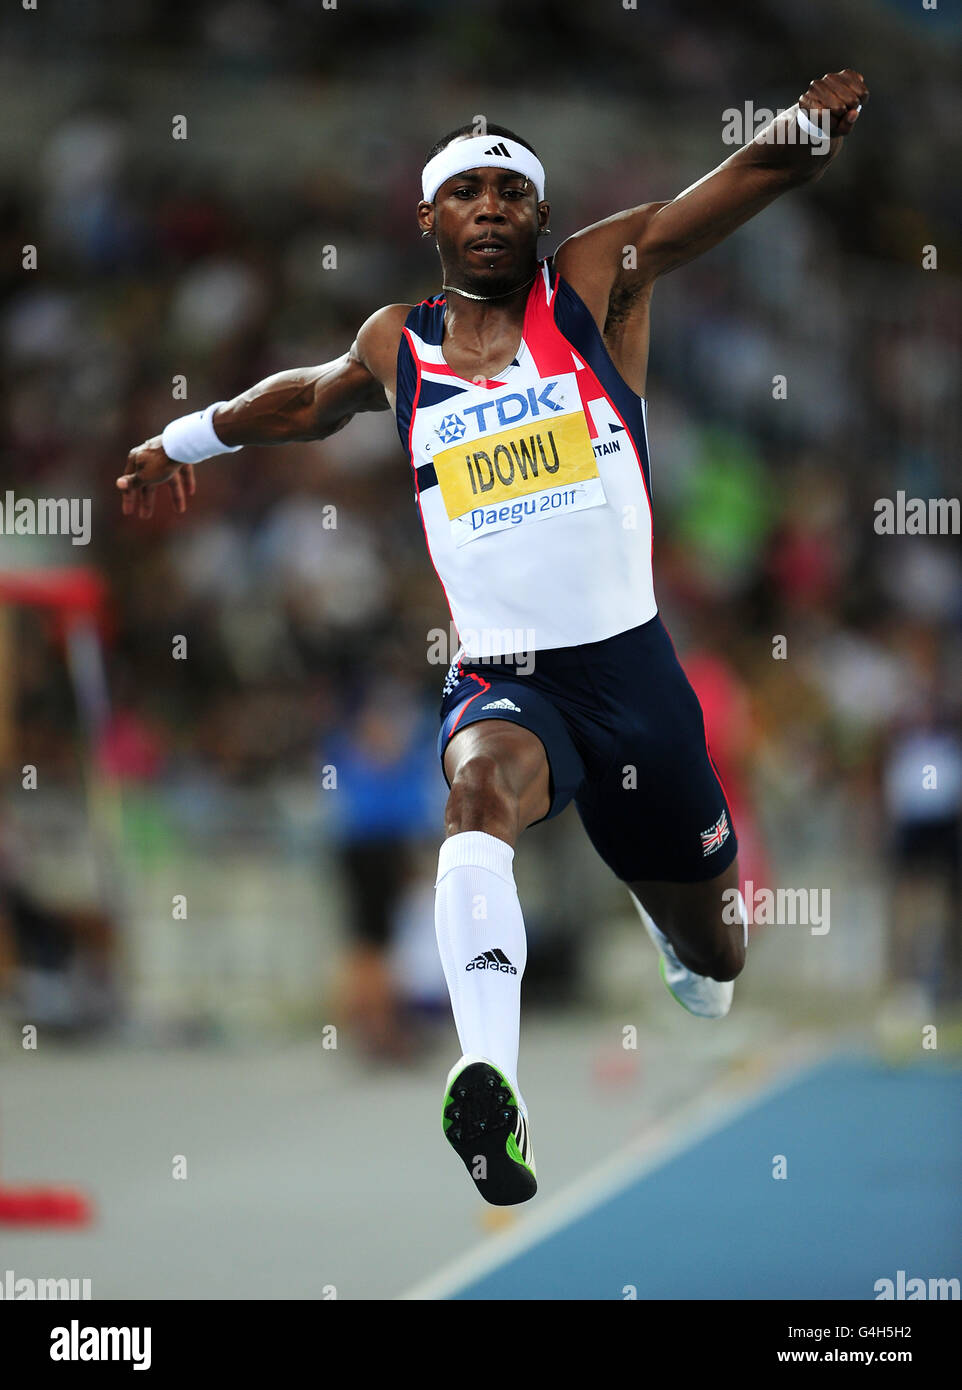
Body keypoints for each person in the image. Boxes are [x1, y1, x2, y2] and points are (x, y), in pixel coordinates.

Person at [118, 70, 868, 1205]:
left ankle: (675, 933)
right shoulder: (395, 343)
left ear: (540, 217)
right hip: (504, 677)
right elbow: (303, 400)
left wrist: (805, 128)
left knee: (715, 960)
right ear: (427, 219)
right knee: (473, 799)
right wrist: (182, 440)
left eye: (509, 191)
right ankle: (489, 1081)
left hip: (637, 684)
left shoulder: (591, 288)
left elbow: (736, 183)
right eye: (462, 191)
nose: (487, 207)